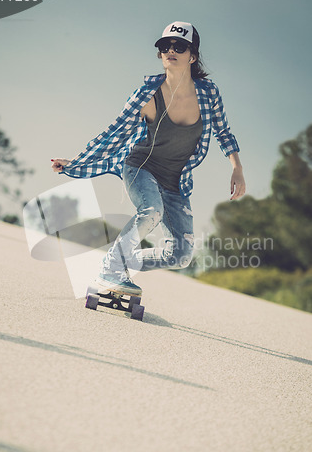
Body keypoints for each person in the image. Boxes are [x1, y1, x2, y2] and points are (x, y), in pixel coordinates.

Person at [51, 21, 246, 296]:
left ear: (192, 56)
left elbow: (224, 131)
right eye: (165, 46)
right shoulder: (147, 93)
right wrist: (76, 160)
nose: (171, 50)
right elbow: (114, 131)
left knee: (180, 255)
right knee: (151, 211)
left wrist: (237, 168)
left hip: (176, 181)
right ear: (160, 53)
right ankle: (111, 270)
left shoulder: (208, 93)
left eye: (179, 46)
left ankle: (119, 262)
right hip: (140, 167)